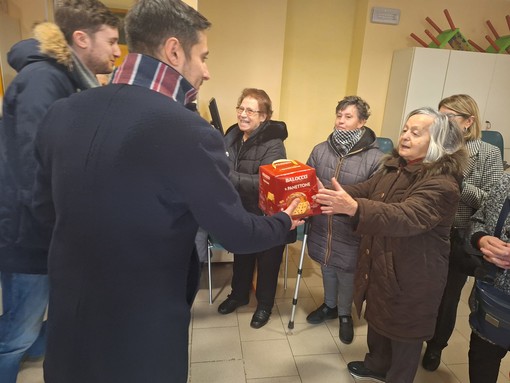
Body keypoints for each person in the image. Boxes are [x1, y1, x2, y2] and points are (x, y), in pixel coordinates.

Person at [32, 1, 302, 382]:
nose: (206, 71)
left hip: (69, 323)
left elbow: (43, 212)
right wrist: (285, 219)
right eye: (203, 57)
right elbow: (236, 233)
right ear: (175, 50)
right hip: (140, 334)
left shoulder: (61, 112)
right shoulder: (188, 131)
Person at [0, 2, 120, 382]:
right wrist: (64, 234)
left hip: (43, 232)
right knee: (17, 334)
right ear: (81, 39)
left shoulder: (67, 80)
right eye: (113, 41)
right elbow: (37, 169)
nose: (118, 51)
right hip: (30, 237)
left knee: (35, 324)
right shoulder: (43, 81)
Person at [314, 107, 467, 383]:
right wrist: (329, 193)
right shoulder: (396, 166)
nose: (405, 136)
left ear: (436, 143)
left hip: (415, 273)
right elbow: (367, 190)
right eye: (405, 129)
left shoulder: (442, 183)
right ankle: (376, 365)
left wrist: (354, 207)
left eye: (416, 133)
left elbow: (406, 215)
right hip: (384, 260)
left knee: (404, 334)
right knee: (379, 318)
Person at [422, 94, 503, 371]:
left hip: (458, 235)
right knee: (420, 289)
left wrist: (459, 184)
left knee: (447, 297)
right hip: (427, 230)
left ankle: (435, 346)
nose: (442, 122)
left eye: (450, 117)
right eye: (439, 116)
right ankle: (413, 336)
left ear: (469, 121)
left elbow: (489, 202)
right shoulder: (435, 146)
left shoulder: (488, 153)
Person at [304, 96, 383, 344]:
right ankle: (329, 305)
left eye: (348, 116)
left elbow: (376, 197)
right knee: (327, 264)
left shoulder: (376, 158)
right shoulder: (320, 149)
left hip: (351, 226)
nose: (341, 121)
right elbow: (307, 180)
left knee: (347, 270)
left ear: (362, 122)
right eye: (339, 115)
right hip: (322, 223)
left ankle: (345, 314)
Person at [217, 88, 292, 329]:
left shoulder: (274, 145)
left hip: (267, 214)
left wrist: (230, 177)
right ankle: (238, 295)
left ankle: (265, 305)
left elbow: (266, 184)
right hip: (241, 210)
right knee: (242, 255)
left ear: (264, 116)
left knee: (268, 261)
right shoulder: (233, 136)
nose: (243, 114)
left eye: (251, 110)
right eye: (241, 108)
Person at [467, 172, 510, 383]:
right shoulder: (505, 180)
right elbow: (478, 219)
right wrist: (481, 239)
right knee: (481, 366)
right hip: (491, 302)